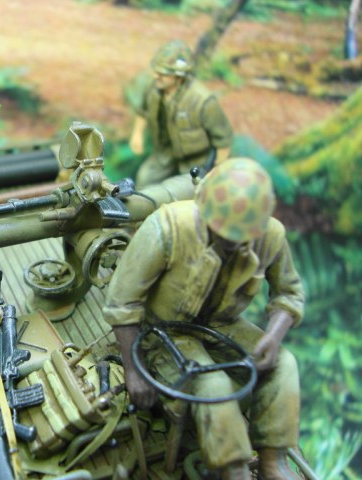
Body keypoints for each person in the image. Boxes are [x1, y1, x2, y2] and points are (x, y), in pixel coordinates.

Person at [103, 158, 305, 479]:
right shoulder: (167, 228)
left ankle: (272, 460)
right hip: (163, 332)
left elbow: (289, 294)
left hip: (224, 326)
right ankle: (233, 469)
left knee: (284, 363)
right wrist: (133, 369)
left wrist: (273, 336)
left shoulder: (270, 236)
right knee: (212, 384)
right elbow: (122, 301)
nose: (232, 242)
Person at [129, 40, 233, 188]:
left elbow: (223, 139)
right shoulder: (154, 90)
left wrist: (217, 169)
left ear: (179, 76)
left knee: (189, 190)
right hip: (164, 154)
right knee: (145, 180)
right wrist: (137, 134)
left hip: (195, 160)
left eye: (163, 73)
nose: (156, 76)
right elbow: (142, 111)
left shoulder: (202, 101)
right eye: (156, 71)